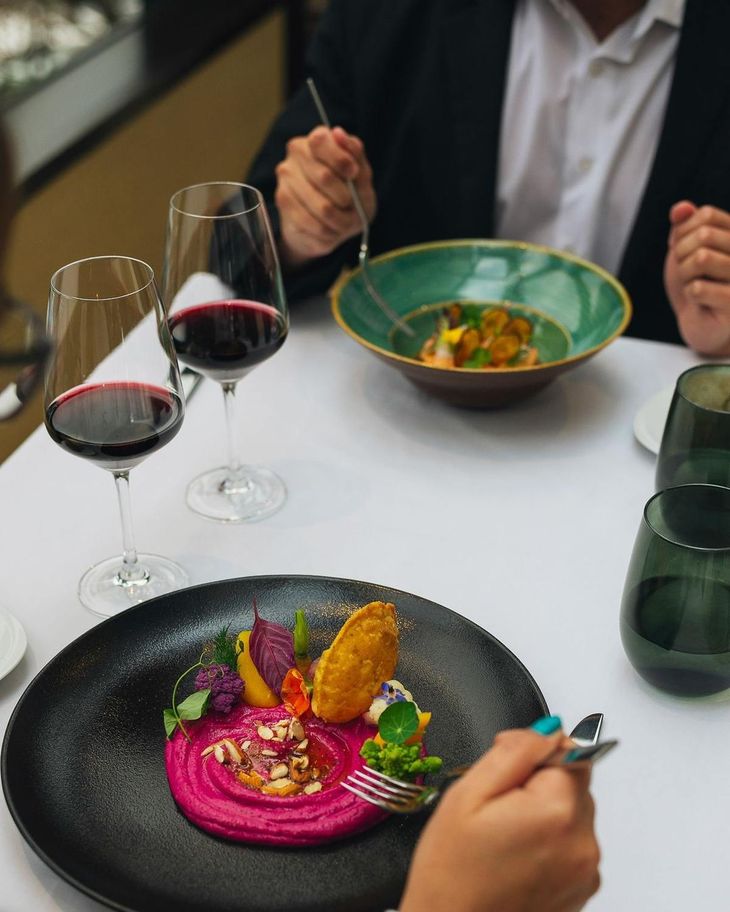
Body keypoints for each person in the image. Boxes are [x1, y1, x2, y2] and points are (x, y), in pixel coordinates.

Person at [247, 0, 730, 356]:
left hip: (652, 440)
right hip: (413, 423)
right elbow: (243, 244)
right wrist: (301, 229)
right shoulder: (391, 16)